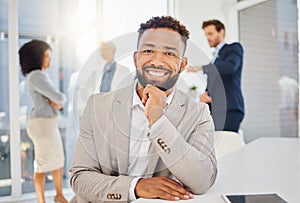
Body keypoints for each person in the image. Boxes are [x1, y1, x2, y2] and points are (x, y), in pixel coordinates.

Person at [70, 16, 217, 203]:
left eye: (170, 53)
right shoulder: (97, 106)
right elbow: (80, 178)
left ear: (182, 64)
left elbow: (203, 180)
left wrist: (158, 120)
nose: (157, 61)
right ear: (135, 58)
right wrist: (137, 186)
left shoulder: (198, 114)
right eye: (148, 50)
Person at [19, 40, 68, 203]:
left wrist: (56, 101)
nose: (50, 60)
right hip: (43, 126)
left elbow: (56, 101)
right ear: (37, 57)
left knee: (57, 160)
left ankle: (59, 195)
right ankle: (42, 201)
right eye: (47, 56)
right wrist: (58, 100)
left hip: (46, 124)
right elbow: (60, 97)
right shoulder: (37, 76)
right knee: (41, 164)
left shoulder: (39, 76)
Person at [187, 19, 244, 133]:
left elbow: (230, 67)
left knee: (227, 145)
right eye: (206, 34)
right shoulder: (215, 57)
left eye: (210, 33)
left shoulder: (233, 48)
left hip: (229, 108)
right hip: (217, 109)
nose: (208, 37)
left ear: (221, 32)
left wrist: (202, 68)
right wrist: (206, 98)